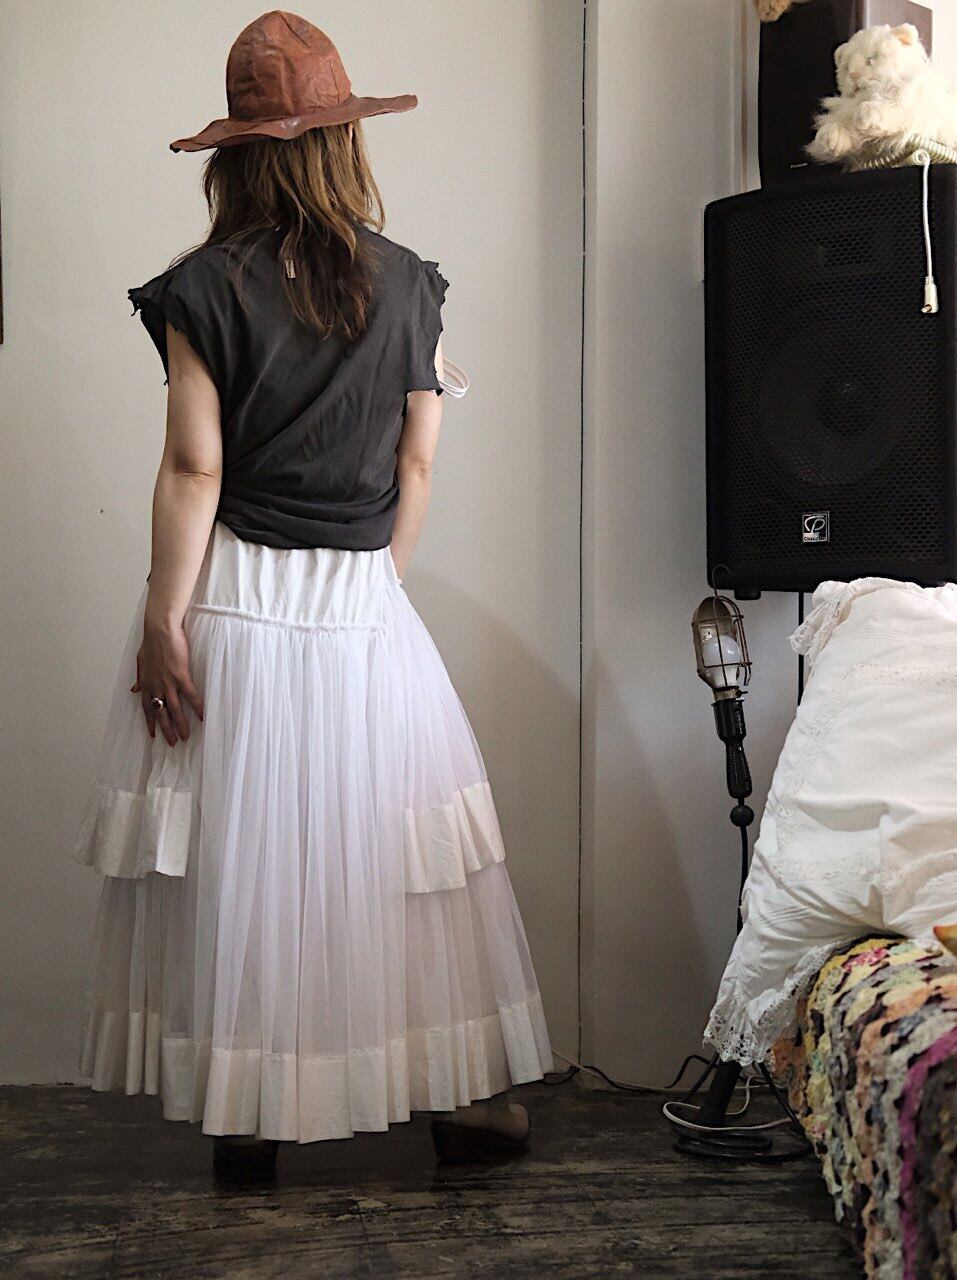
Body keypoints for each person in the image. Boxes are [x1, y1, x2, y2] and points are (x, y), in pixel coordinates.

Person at [73, 11, 551, 1178]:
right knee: (402, 865)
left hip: (232, 603)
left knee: (245, 862)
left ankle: (247, 1117)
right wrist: (372, 586)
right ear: (344, 140)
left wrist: (162, 619)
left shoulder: (201, 287)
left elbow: (195, 469)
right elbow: (417, 465)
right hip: (361, 606)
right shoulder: (413, 284)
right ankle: (459, 1107)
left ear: (237, 157)